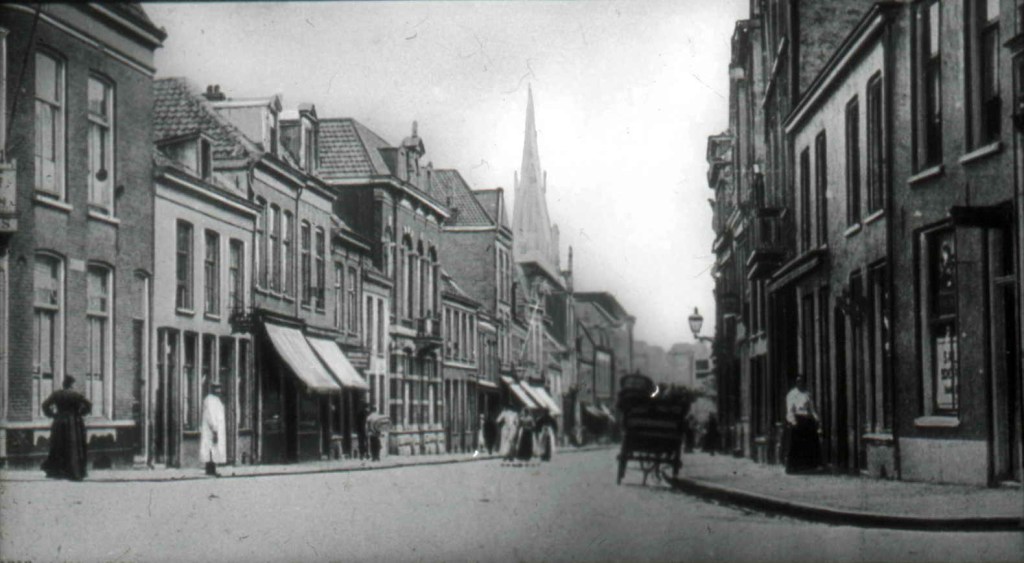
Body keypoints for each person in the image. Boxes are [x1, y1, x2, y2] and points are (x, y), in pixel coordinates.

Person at [41, 376, 91, 481]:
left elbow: (45, 405)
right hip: (74, 422)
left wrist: (52, 415)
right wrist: (81, 413)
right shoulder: (76, 395)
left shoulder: (57, 394)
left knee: (58, 445)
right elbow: (89, 405)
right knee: (74, 447)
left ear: (64, 384)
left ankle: (58, 472)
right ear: (72, 384)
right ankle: (75, 472)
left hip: (59, 421)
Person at [785, 375, 822, 474]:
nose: (800, 383)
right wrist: (793, 421)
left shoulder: (807, 394)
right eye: (798, 381)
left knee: (810, 443)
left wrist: (816, 418)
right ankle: (794, 467)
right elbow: (790, 410)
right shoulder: (792, 394)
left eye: (802, 381)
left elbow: (812, 409)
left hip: (807, 420)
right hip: (798, 420)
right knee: (795, 445)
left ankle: (809, 466)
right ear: (796, 383)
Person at [200, 382, 227, 477]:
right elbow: (210, 415)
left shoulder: (216, 400)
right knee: (211, 448)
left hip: (216, 429)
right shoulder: (209, 400)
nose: (218, 391)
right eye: (216, 389)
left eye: (219, 388)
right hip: (211, 429)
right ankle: (210, 469)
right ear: (212, 389)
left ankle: (212, 468)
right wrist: (214, 428)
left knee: (214, 448)